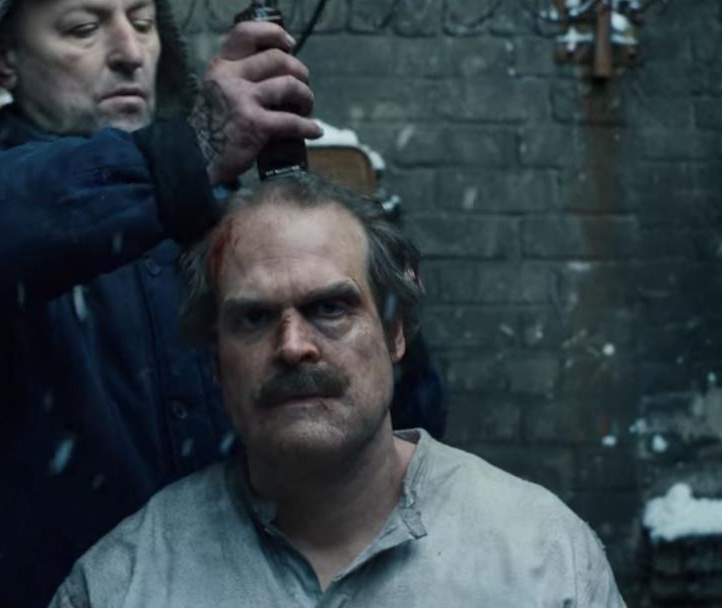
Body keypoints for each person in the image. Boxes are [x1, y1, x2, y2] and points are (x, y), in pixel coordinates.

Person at [0, 0, 442, 606]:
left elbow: (399, 425)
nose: (130, 52)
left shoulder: (220, 225)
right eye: (81, 29)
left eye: (141, 21)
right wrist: (185, 154)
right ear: (4, 57)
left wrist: (363, 289)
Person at [51, 174, 627, 608]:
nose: (294, 345)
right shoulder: (123, 584)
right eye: (253, 318)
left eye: (330, 308)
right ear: (216, 362)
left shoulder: (541, 556)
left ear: (395, 332)